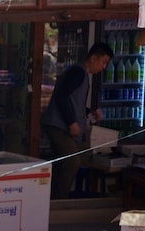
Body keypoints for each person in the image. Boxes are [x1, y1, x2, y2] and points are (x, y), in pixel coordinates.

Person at [40, 42, 113, 199]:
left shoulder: (81, 73)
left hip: (61, 124)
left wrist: (88, 112)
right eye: (103, 62)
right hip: (59, 125)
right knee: (73, 161)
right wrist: (72, 122)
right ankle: (59, 199)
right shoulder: (78, 72)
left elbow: (74, 102)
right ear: (93, 58)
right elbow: (62, 96)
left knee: (62, 162)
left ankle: (53, 198)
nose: (103, 67)